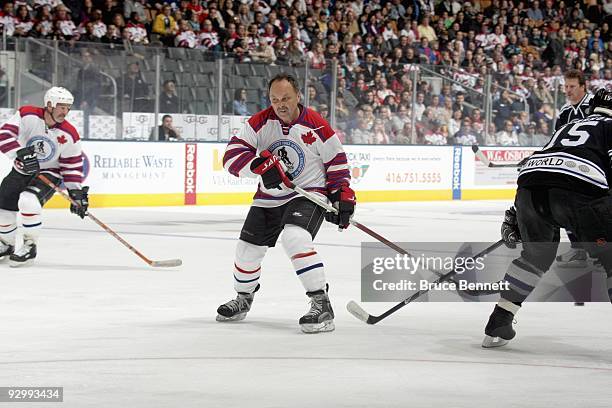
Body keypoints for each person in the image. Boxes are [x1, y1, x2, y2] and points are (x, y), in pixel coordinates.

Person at [217, 73, 354, 333]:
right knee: (247, 250)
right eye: (274, 99)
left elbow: (337, 165)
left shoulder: (317, 126)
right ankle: (243, 299)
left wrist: (342, 197)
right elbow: (231, 156)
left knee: (295, 238)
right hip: (268, 198)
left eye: (286, 98)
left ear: (298, 97)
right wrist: (257, 166)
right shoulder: (259, 122)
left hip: (307, 194)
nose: (280, 104)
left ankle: (321, 304)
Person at [483, 88, 612, 348]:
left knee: (535, 256)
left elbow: (542, 168)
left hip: (530, 192)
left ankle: (500, 319)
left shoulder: (570, 125)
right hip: (577, 195)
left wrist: (518, 213)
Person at [0, 87, 88, 266]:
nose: (65, 112)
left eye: (68, 108)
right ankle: (6, 245)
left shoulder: (69, 134)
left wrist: (76, 193)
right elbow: (4, 134)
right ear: (49, 104)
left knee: (28, 201)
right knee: (3, 208)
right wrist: (20, 153)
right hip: (22, 169)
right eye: (61, 107)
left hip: (49, 173)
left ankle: (29, 247)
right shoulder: (27, 115)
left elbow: (71, 165)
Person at [554, 69, 594, 269]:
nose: (568, 91)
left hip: (597, 169)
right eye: (566, 87)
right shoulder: (565, 112)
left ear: (583, 87)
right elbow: (556, 141)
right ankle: (578, 249)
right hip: (573, 170)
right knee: (563, 205)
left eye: (572, 87)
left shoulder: (596, 106)